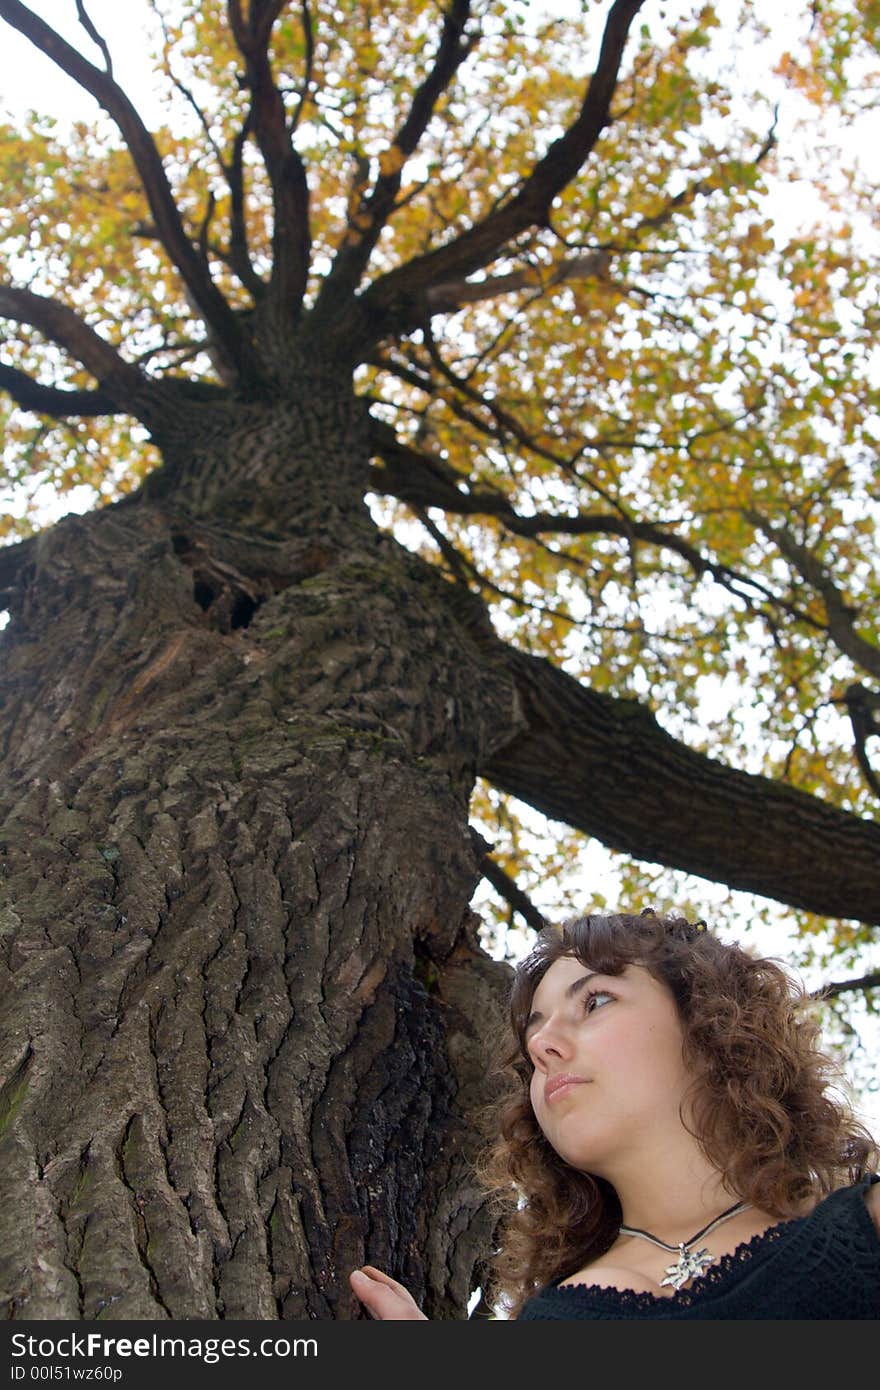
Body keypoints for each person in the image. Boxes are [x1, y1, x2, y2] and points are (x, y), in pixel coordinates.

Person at [348, 908, 880, 1319]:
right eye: (534, 1032)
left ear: (709, 1025)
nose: (543, 1046)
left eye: (595, 1001)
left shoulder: (863, 1237)